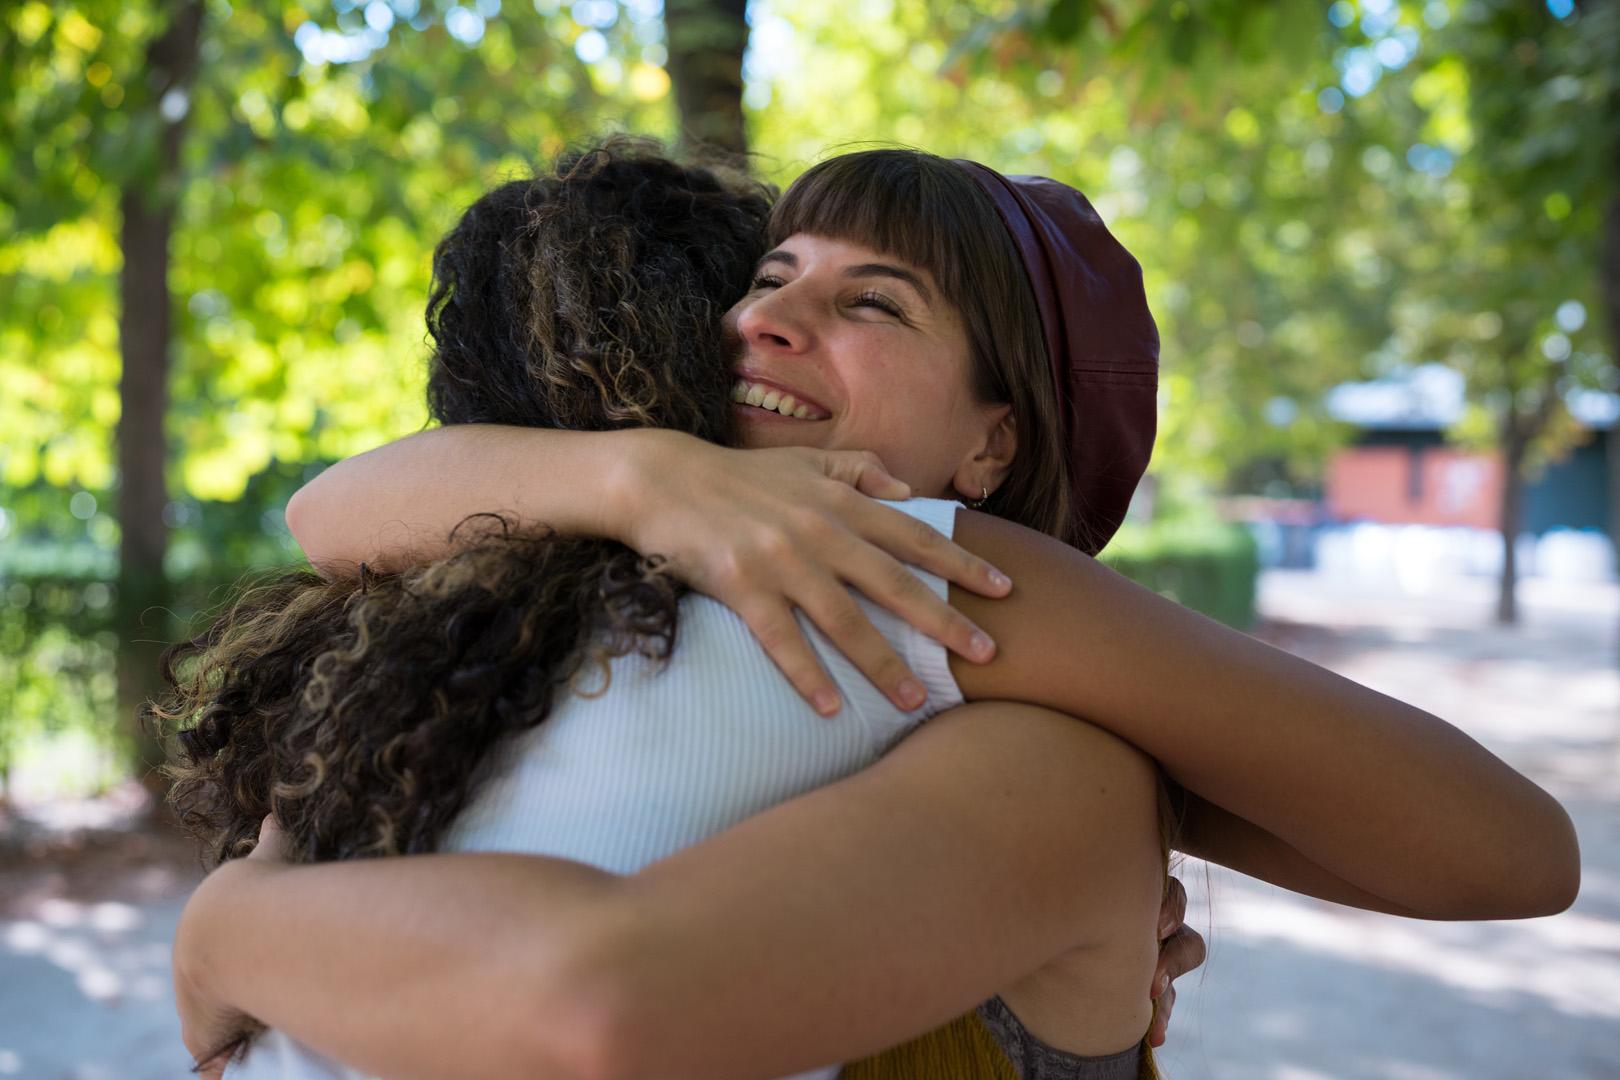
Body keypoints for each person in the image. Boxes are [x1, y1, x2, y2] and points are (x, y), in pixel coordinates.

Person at [169, 144, 1580, 1080]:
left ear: (990, 450)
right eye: (769, 280)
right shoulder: (615, 553)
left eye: (877, 305)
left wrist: (234, 931)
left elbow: (1511, 853)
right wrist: (643, 477)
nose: (764, 321)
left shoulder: (929, 562)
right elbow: (329, 508)